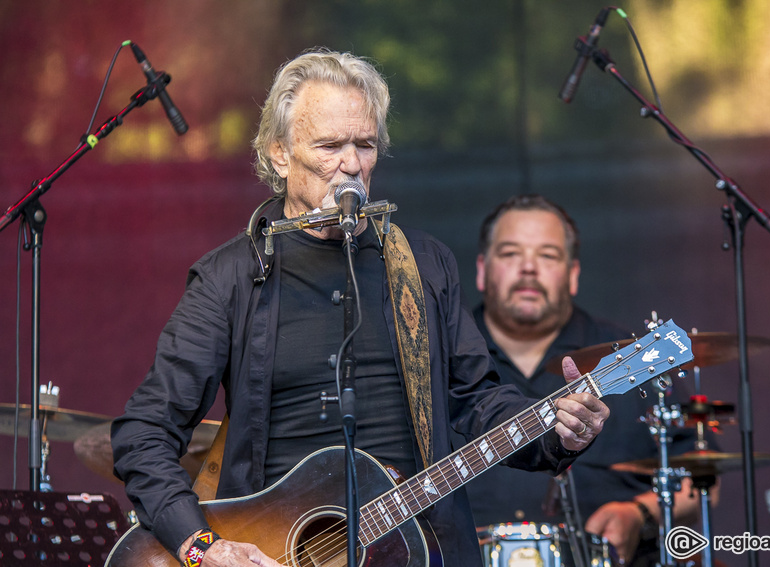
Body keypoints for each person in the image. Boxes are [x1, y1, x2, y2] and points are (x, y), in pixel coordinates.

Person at [110, 50, 611, 567]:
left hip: (420, 548)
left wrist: (558, 431)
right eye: (330, 146)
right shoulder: (230, 278)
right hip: (277, 551)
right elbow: (144, 433)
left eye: (364, 145)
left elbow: (477, 400)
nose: (352, 164)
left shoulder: (422, 265)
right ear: (280, 154)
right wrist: (201, 547)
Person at [464, 194, 719, 566]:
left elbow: (704, 478)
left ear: (573, 275)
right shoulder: (441, 358)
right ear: (482, 270)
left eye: (548, 255)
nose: (529, 268)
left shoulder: (631, 360)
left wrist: (641, 515)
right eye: (510, 253)